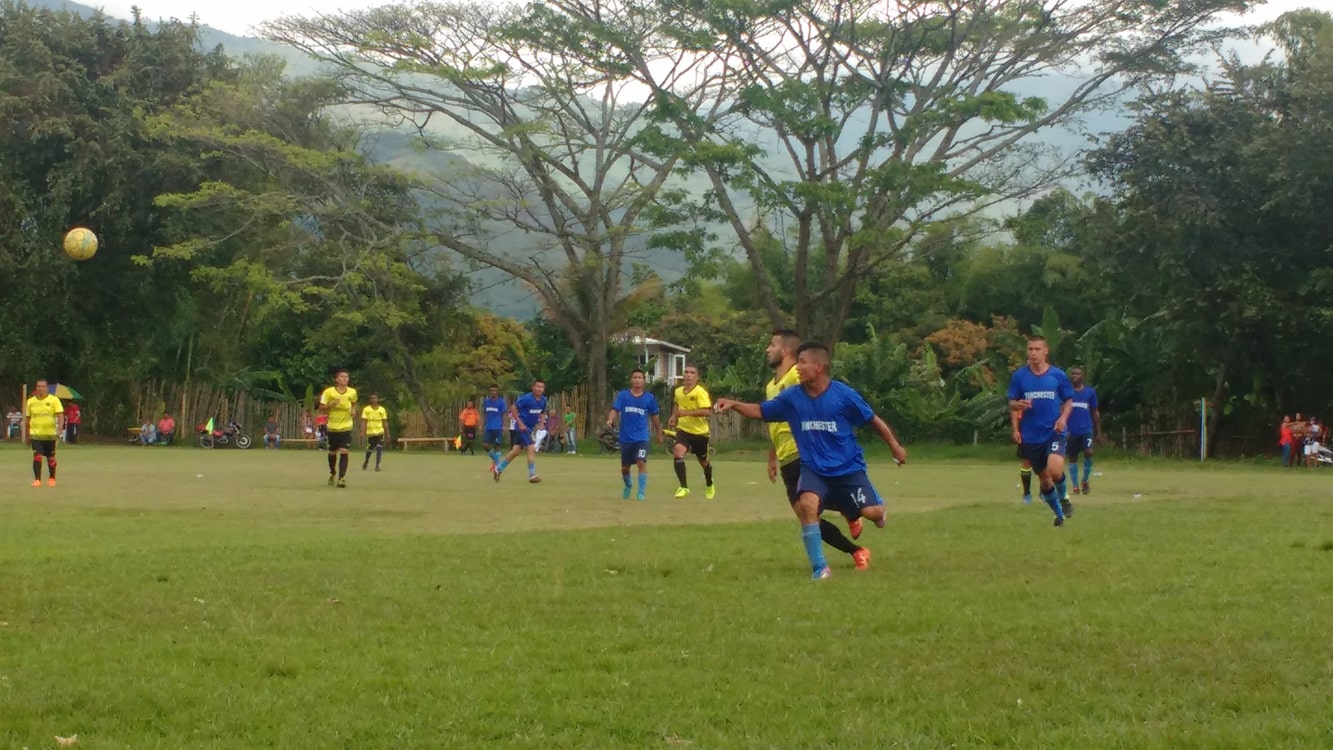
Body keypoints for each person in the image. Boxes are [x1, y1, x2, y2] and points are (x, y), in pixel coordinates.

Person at [716, 343, 908, 580]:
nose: (798, 367)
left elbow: (872, 420)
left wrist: (895, 446)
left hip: (848, 469)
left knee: (871, 512)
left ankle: (878, 508)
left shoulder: (843, 395)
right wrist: (734, 405)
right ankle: (820, 568)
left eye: (803, 362)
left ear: (819, 366)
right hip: (814, 469)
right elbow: (761, 411)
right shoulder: (792, 397)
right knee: (807, 506)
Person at [763, 329, 871, 570]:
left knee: (811, 506)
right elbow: (777, 420)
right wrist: (772, 457)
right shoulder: (772, 386)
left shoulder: (795, 377)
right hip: (786, 457)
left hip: (805, 454)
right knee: (806, 516)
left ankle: (852, 511)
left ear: (786, 350)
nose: (767, 350)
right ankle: (857, 549)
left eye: (772, 345)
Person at [1008, 335, 1075, 526]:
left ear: (1046, 351)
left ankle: (1065, 498)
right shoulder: (1020, 376)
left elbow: (1069, 400)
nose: (1033, 353)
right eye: (1030, 349)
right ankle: (1059, 516)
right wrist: (1017, 405)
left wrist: (1063, 419)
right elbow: (1011, 402)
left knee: (1055, 470)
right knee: (1044, 480)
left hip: (1054, 430)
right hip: (1031, 435)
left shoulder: (1058, 375)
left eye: (1037, 349)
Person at [607, 369, 662, 500]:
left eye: (640, 377)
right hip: (626, 437)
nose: (637, 380)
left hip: (642, 437)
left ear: (643, 380)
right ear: (631, 380)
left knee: (641, 461)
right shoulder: (623, 396)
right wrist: (610, 420)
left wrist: (659, 433)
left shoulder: (649, 398)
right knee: (625, 467)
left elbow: (655, 417)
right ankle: (628, 485)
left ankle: (641, 492)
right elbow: (615, 409)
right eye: (635, 377)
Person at [669, 365, 716, 499]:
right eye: (686, 372)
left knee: (703, 462)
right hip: (683, 430)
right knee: (678, 451)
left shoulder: (700, 392)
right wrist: (673, 416)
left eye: (692, 373)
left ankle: (709, 483)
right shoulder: (678, 391)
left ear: (697, 377)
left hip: (700, 433)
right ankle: (683, 487)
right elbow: (677, 405)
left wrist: (685, 413)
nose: (688, 375)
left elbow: (707, 411)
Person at [494, 380, 548, 484]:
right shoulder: (526, 398)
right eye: (538, 386)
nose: (540, 389)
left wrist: (541, 423)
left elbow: (543, 411)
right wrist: (520, 423)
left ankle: (498, 469)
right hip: (522, 427)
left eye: (542, 387)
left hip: (529, 428)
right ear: (533, 387)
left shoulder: (543, 400)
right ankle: (532, 475)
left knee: (516, 451)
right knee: (531, 448)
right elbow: (513, 408)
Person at [319, 369, 358, 487]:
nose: (345, 379)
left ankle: (341, 478)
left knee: (344, 451)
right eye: (342, 376)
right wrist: (331, 405)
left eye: (347, 377)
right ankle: (333, 472)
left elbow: (354, 402)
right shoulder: (329, 392)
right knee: (332, 452)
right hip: (332, 427)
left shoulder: (352, 392)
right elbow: (321, 407)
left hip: (346, 426)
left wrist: (353, 410)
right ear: (337, 379)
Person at [1065, 366, 1101, 495]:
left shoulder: (1089, 392)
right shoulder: (1066, 392)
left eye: (1078, 374)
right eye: (1073, 373)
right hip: (1071, 430)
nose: (1075, 376)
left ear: (1083, 376)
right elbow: (1060, 410)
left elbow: (1095, 412)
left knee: (1089, 452)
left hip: (1086, 429)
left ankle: (1085, 480)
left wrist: (1098, 432)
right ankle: (1075, 486)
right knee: (1072, 457)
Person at [25, 380, 64, 487]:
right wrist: (27, 435)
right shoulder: (30, 402)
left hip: (50, 435)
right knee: (37, 457)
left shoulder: (54, 400)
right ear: (36, 388)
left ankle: (52, 477)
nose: (40, 388)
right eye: (38, 386)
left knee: (51, 458)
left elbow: (60, 415)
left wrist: (60, 428)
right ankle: (37, 480)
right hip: (36, 435)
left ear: (47, 388)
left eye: (43, 386)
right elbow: (28, 419)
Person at [361, 394, 389, 471]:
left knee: (379, 448)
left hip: (380, 432)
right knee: (370, 449)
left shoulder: (382, 410)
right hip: (370, 433)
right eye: (372, 398)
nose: (374, 400)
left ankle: (377, 465)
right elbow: (364, 421)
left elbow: (385, 422)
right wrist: (362, 432)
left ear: (377, 400)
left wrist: (387, 434)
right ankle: (366, 461)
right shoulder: (366, 410)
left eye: (375, 398)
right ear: (370, 400)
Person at [481, 385, 507, 465]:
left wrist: (503, 426)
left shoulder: (501, 402)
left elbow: (503, 415)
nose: (493, 392)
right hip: (488, 427)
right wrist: (481, 425)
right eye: (491, 390)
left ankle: (497, 463)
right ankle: (496, 460)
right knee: (485, 445)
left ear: (497, 392)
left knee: (497, 445)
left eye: (494, 390)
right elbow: (485, 414)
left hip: (497, 426)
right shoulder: (487, 402)